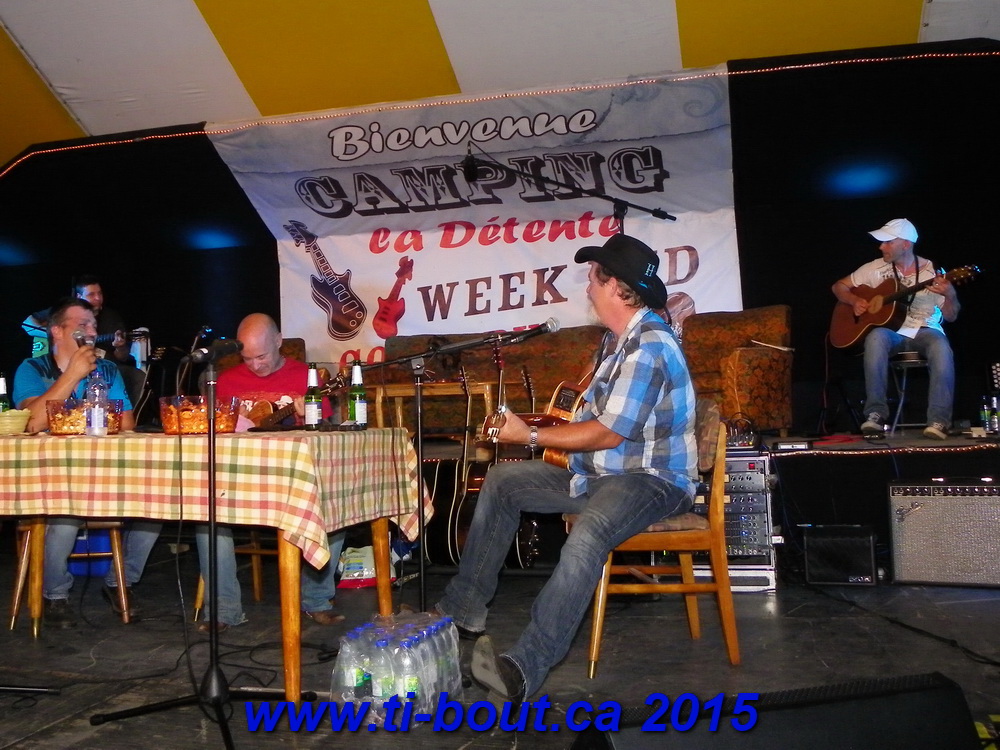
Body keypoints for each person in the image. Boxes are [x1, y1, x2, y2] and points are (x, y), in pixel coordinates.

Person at [435, 233, 698, 701]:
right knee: (504, 481)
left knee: (589, 533)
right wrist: (531, 427)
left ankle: (525, 666)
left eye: (594, 279)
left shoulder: (649, 346)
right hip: (602, 475)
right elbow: (591, 425)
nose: (588, 289)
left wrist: (529, 436)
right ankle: (461, 611)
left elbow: (608, 433)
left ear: (615, 286)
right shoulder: (615, 343)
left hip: (652, 480)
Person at [12, 297, 162, 628]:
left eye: (93, 325)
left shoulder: (107, 370)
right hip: (52, 478)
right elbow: (31, 423)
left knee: (157, 506)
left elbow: (126, 424)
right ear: (56, 331)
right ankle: (55, 595)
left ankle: (119, 582)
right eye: (82, 325)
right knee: (66, 514)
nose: (91, 331)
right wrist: (72, 375)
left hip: (103, 472)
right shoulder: (32, 369)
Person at [194, 313, 347, 632]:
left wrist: (308, 416)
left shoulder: (306, 376)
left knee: (334, 507)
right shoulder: (225, 381)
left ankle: (316, 600)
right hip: (237, 477)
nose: (255, 365)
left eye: (262, 356)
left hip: (292, 479)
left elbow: (326, 437)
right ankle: (223, 610)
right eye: (247, 358)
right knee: (205, 516)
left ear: (279, 342)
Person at [832, 218, 961, 440]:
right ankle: (875, 414)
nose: (881, 247)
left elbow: (951, 315)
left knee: (941, 347)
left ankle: (939, 421)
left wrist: (950, 294)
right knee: (875, 338)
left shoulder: (933, 272)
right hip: (891, 332)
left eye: (887, 242)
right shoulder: (874, 268)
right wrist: (854, 300)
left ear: (906, 244)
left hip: (924, 329)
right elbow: (838, 286)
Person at [22, 274, 145, 406]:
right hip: (66, 367)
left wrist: (119, 346)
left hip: (100, 368)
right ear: (79, 296)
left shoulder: (111, 317)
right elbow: (27, 324)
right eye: (92, 294)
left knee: (134, 376)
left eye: (100, 293)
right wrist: (53, 335)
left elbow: (122, 357)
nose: (98, 298)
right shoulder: (64, 311)